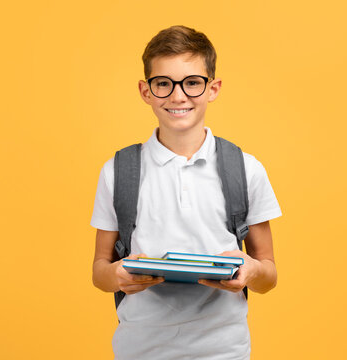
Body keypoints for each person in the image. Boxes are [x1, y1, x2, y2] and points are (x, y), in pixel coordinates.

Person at [90, 25, 282, 360]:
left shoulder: (246, 169)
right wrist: (118, 275)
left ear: (213, 88)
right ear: (145, 91)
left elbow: (268, 274)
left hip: (224, 351)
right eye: (163, 83)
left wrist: (250, 270)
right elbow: (100, 271)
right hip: (139, 350)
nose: (178, 96)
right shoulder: (118, 172)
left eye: (192, 82)